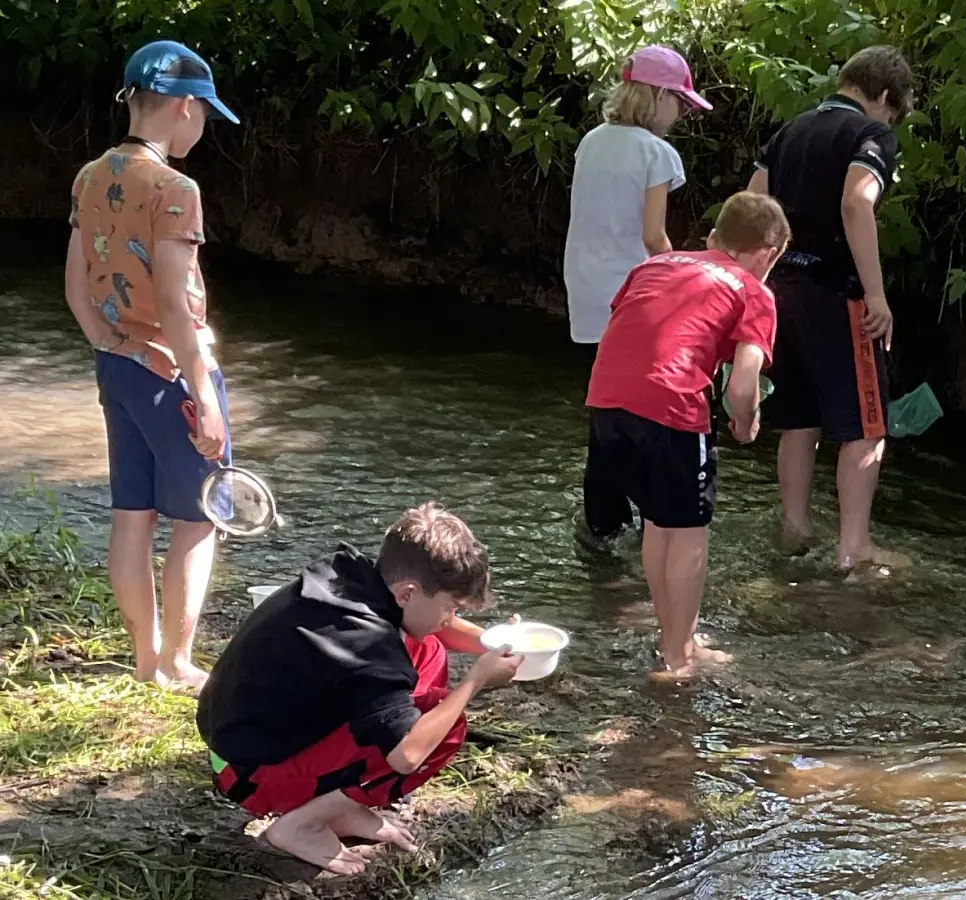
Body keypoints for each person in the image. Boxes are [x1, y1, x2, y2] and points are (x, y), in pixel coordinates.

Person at [196, 503, 523, 875]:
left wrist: (497, 642)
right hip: (251, 776)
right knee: (445, 726)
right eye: (451, 606)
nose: (452, 618)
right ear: (408, 592)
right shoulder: (368, 647)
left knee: (428, 648)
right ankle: (301, 825)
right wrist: (476, 679)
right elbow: (407, 756)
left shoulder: (351, 576)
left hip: (236, 741)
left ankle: (339, 805)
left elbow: (432, 626)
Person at [63, 40, 239, 691]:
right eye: (204, 115)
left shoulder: (90, 176)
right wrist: (205, 394)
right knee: (199, 518)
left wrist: (115, 346)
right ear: (185, 107)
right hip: (175, 374)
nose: (203, 127)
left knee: (131, 517)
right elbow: (172, 300)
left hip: (121, 370)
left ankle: (145, 660)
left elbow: (76, 289)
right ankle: (177, 661)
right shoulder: (175, 188)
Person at [583, 191, 789, 676]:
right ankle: (678, 659)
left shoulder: (655, 265)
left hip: (605, 399)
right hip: (671, 406)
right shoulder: (754, 291)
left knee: (658, 523)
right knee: (690, 532)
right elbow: (743, 384)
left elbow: (636, 326)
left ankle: (675, 636)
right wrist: (745, 422)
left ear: (717, 236)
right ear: (768, 252)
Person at [745, 45, 915, 570]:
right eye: (894, 112)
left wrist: (751, 287)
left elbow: (752, 205)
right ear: (883, 96)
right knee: (865, 426)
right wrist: (877, 295)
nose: (892, 122)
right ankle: (854, 549)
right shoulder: (871, 135)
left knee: (798, 419)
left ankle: (795, 530)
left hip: (782, 291)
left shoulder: (788, 132)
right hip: (834, 292)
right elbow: (855, 202)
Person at [563, 44, 711, 349]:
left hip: (582, 280)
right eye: (682, 103)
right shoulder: (657, 153)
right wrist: (678, 276)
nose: (682, 114)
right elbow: (654, 237)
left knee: (601, 379)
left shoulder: (591, 141)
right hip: (628, 286)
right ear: (660, 95)